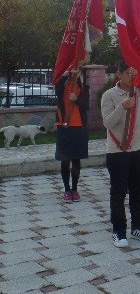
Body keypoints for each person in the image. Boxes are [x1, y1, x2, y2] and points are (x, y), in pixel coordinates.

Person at [101, 61, 140, 248]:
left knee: (138, 190)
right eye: (128, 73)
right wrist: (122, 106)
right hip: (118, 151)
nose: (131, 76)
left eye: (134, 73)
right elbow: (107, 122)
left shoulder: (139, 91)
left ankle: (138, 226)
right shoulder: (109, 95)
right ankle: (118, 231)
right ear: (119, 74)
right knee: (118, 192)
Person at [54, 67, 90, 202]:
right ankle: (66, 189)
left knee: (76, 159)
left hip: (79, 127)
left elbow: (86, 104)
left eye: (77, 71)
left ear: (80, 73)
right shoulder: (63, 85)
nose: (75, 73)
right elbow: (57, 91)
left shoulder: (84, 87)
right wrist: (64, 75)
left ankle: (75, 189)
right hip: (64, 126)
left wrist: (77, 99)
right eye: (73, 71)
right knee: (65, 159)